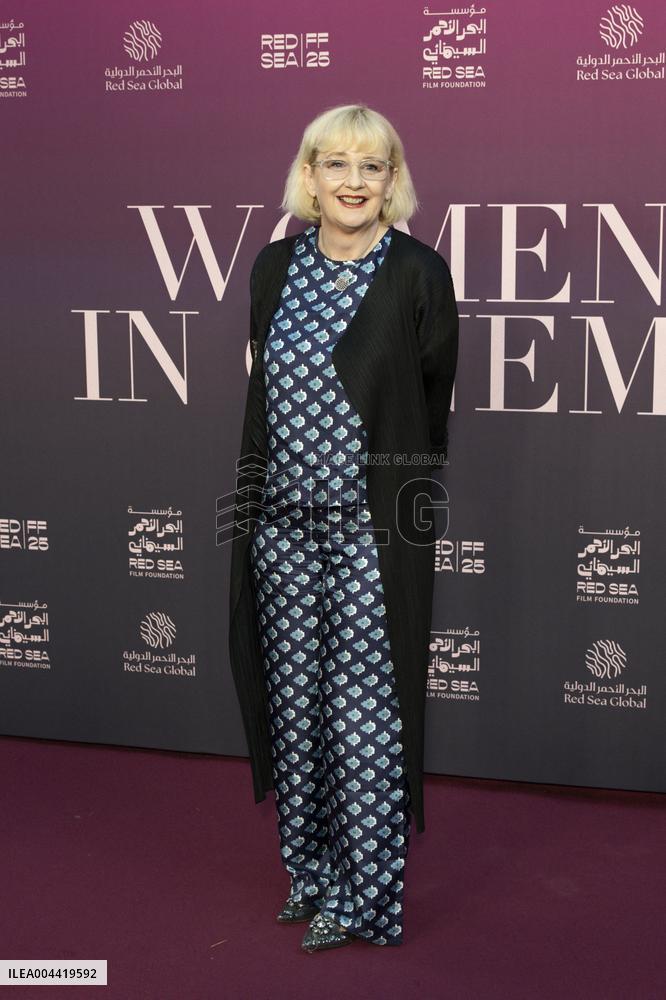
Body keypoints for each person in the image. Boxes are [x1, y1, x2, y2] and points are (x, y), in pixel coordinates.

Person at [228, 103, 459, 953]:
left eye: (373, 166)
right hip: (281, 528)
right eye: (337, 164)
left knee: (365, 713)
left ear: (393, 180)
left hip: (373, 534)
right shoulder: (273, 267)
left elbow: (431, 406)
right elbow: (262, 398)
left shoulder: (418, 275)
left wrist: (389, 504)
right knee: (296, 702)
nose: (354, 182)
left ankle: (366, 898)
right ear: (310, 175)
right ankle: (312, 872)